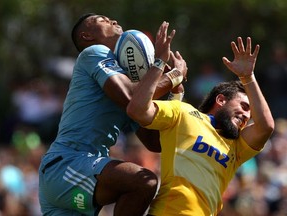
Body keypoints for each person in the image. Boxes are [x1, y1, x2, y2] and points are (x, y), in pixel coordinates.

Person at [38, 13, 186, 215]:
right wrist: (167, 70)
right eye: (102, 20)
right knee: (143, 182)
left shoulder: (127, 84)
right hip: (67, 163)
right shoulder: (93, 52)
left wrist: (174, 95)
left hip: (82, 171)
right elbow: (130, 96)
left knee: (143, 184)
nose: (114, 21)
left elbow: (154, 142)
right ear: (87, 36)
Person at [127, 37, 275, 215]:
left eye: (250, 114)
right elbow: (137, 109)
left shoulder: (237, 146)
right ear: (220, 100)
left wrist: (248, 77)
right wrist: (168, 71)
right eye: (243, 107)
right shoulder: (183, 113)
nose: (246, 116)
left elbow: (266, 126)